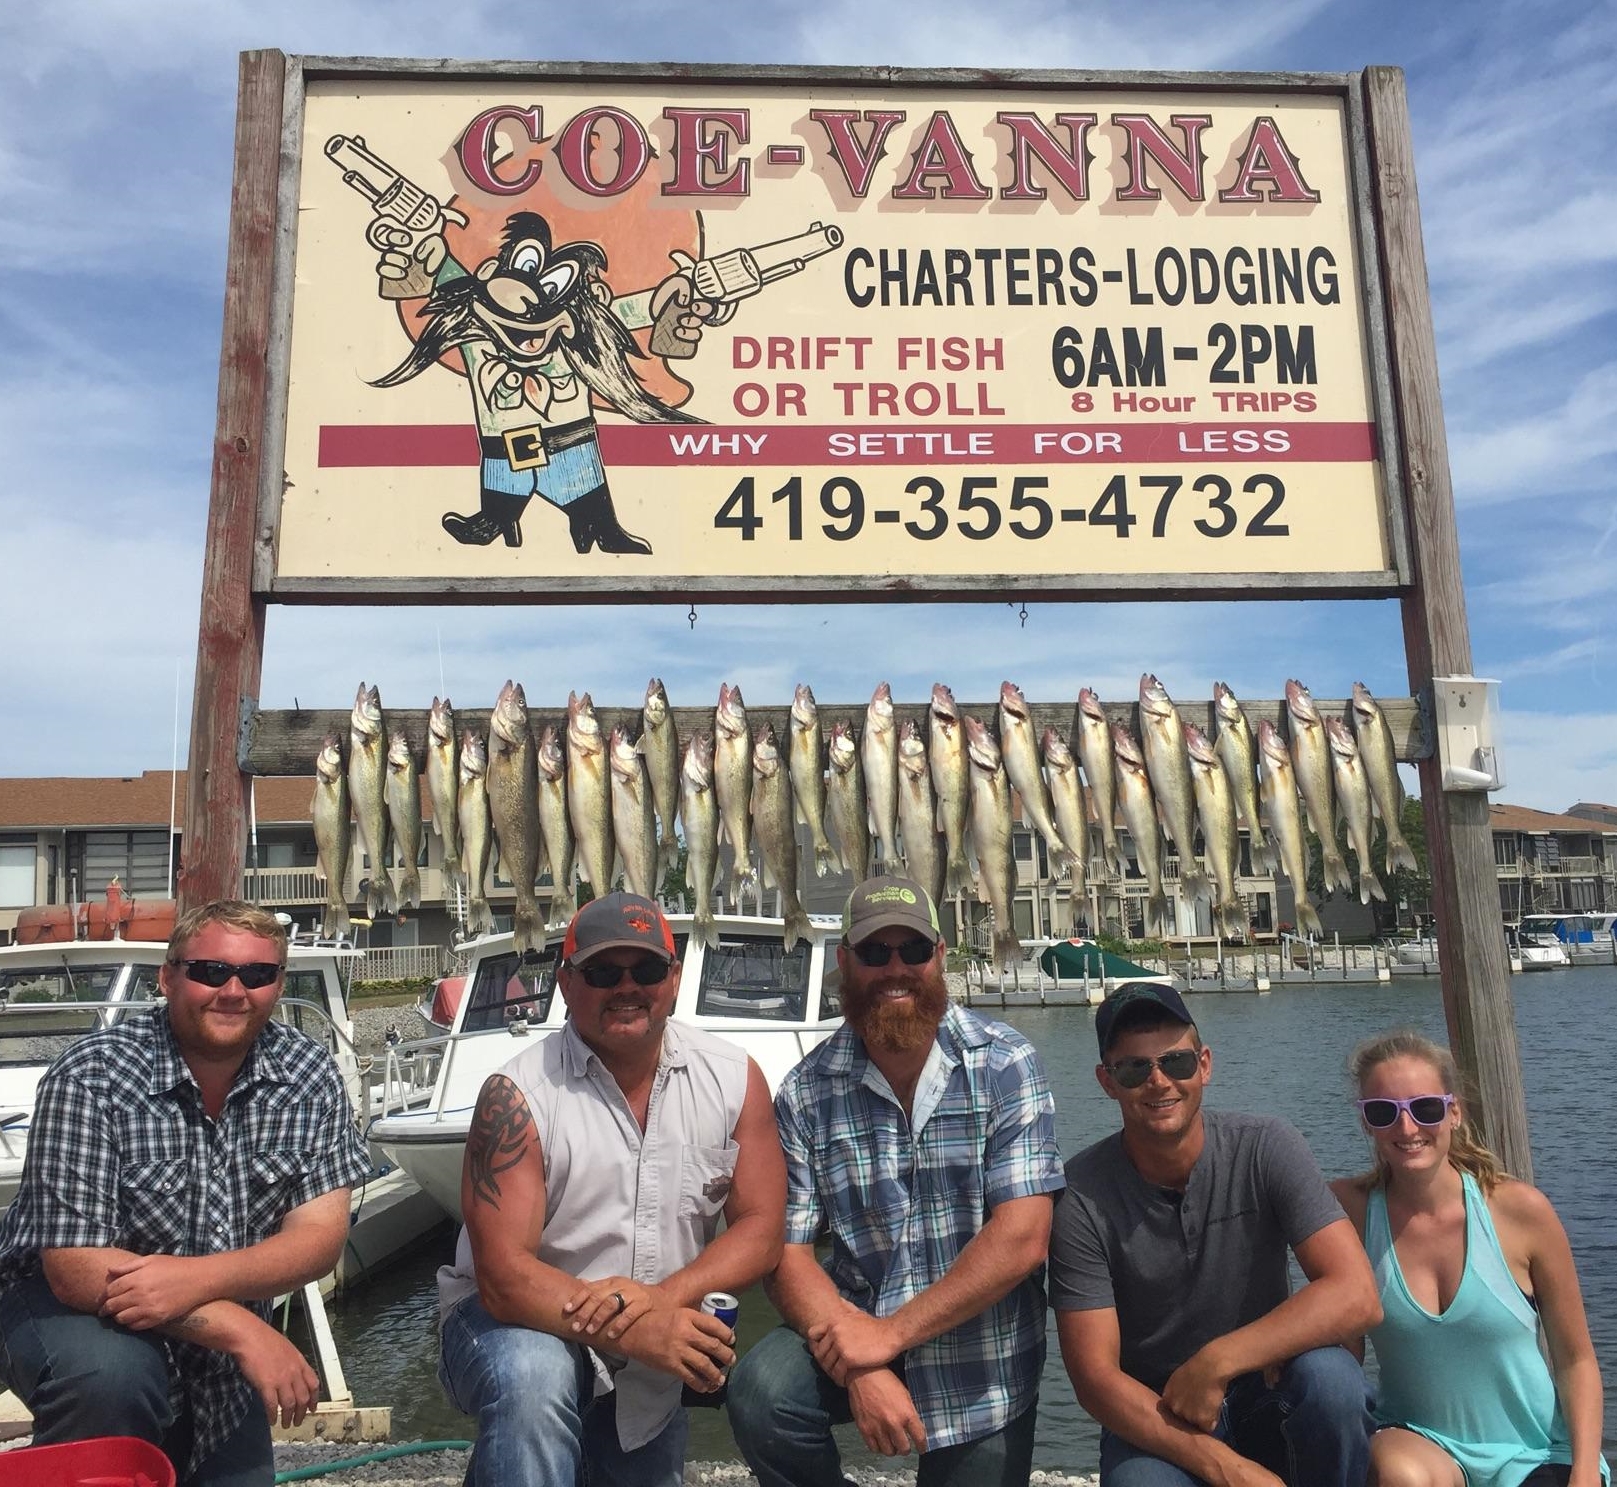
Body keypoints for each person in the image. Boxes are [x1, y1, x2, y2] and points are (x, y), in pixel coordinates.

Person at [0, 900, 371, 1486]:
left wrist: (192, 1282)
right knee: (112, 1377)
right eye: (209, 971)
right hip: (69, 1307)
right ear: (167, 976)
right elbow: (74, 1268)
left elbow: (319, 1240)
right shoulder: (90, 1077)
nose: (233, 990)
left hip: (210, 1341)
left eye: (257, 975)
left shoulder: (309, 1075)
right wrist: (245, 1330)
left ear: (278, 984)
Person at [435, 891, 785, 1486]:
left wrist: (662, 1300)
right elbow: (502, 1279)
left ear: (673, 980)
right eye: (602, 971)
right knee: (534, 1378)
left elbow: (762, 1228)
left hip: (651, 1348)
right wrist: (636, 1326)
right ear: (567, 984)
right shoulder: (516, 1093)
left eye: (645, 969)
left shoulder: (733, 1078)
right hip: (517, 1323)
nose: (627, 986)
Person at [728, 876, 1065, 1487]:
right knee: (760, 1395)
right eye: (874, 953)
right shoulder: (807, 1090)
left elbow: (1023, 1237)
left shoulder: (1005, 1063)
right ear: (845, 962)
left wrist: (887, 1337)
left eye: (911, 951)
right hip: (854, 1324)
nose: (895, 969)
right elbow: (788, 1251)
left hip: (981, 1358)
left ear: (939, 955)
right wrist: (861, 1365)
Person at [1049, 982, 1381, 1487]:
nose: (1159, 1082)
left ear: (1204, 1064)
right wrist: (1230, 1470)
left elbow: (1358, 1296)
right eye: (1135, 1068)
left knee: (1333, 1381)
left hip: (1268, 1385)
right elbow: (1096, 1380)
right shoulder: (1079, 1196)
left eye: (1176, 1062)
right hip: (1160, 1411)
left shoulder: (1266, 1146)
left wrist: (1217, 1362)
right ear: (1106, 1081)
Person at [1331, 1029, 1608, 1487]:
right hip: (1422, 1446)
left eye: (1425, 1108)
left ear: (1453, 1112)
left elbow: (1576, 1360)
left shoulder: (1521, 1212)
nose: (1407, 1128)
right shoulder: (1348, 1211)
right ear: (1366, 1123)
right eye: (1384, 1113)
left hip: (1535, 1453)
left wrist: (1583, 1473)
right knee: (1399, 1476)